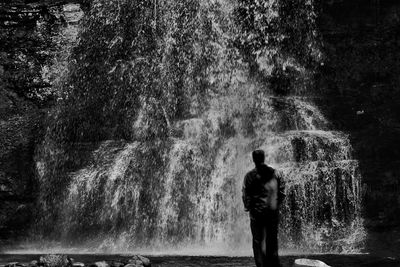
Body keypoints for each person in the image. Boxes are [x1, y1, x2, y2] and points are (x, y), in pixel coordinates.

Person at [242, 149, 285, 267]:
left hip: (256, 214)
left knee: (257, 241)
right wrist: (276, 206)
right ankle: (273, 264)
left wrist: (248, 208)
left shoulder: (249, 176)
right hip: (271, 214)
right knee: (272, 240)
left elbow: (245, 194)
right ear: (263, 158)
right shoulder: (275, 173)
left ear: (253, 159)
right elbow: (282, 192)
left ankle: (260, 265)